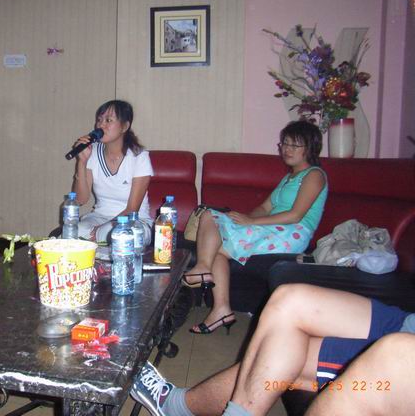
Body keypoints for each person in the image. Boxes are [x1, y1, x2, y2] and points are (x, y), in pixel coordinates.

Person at [130, 283, 415, 416]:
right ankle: (177, 406)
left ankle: (175, 405)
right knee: (288, 299)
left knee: (395, 356)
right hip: (408, 323)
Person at [183, 120, 328, 334]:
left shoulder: (314, 175)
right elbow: (265, 207)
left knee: (210, 218)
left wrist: (250, 223)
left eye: (294, 145)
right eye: (284, 143)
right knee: (214, 234)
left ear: (311, 147)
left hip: (292, 233)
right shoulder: (289, 178)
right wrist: (242, 219)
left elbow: (296, 215)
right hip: (275, 228)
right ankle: (221, 309)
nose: (287, 149)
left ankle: (202, 269)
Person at [71, 100, 153, 243]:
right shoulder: (93, 152)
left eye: (108, 120)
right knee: (73, 231)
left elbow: (132, 209)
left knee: (120, 235)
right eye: (99, 120)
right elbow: (80, 199)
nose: (101, 125)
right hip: (99, 217)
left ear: (124, 126)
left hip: (133, 220)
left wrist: (103, 229)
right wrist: (82, 162)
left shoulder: (139, 157)